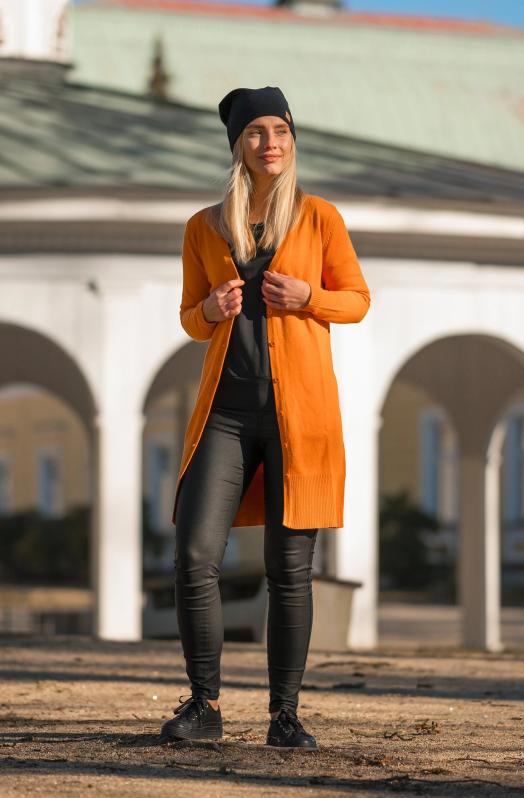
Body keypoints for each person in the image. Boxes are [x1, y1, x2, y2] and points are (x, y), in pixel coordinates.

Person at [161, 86, 371, 748]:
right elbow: (190, 317)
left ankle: (285, 716)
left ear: (291, 140)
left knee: (289, 569)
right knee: (195, 554)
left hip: (300, 418)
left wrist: (310, 296)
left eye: (279, 130)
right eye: (256, 132)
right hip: (224, 414)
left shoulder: (319, 217)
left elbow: (357, 300)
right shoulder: (204, 227)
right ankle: (204, 706)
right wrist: (210, 311)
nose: (269, 142)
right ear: (238, 146)